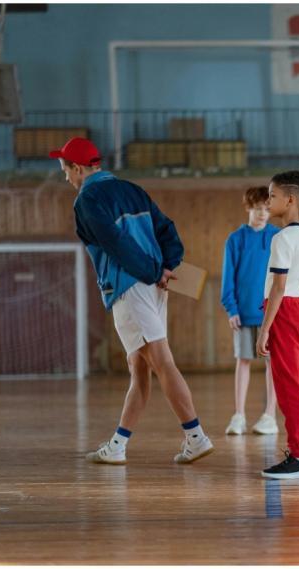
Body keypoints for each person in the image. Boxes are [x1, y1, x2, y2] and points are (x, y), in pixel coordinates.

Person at [50, 137, 214, 464]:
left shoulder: (86, 200)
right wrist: (168, 265)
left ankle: (196, 437)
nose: (65, 177)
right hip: (153, 285)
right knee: (139, 367)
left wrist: (155, 271)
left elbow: (116, 244)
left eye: (65, 170)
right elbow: (166, 229)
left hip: (131, 285)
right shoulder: (132, 190)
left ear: (78, 169)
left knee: (160, 361)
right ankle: (119, 445)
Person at [256, 171, 299, 479]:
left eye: (272, 196)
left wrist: (265, 327)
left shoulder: (281, 238)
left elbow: (278, 288)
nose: (268, 202)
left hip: (284, 310)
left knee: (288, 386)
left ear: (290, 200)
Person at [220, 186, 281, 436]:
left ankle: (270, 416)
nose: (263, 214)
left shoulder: (277, 237)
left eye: (267, 209)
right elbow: (228, 278)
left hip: (270, 313)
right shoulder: (235, 239)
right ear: (249, 209)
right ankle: (239, 416)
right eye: (258, 209)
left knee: (272, 364)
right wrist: (231, 308)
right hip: (243, 313)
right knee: (242, 361)